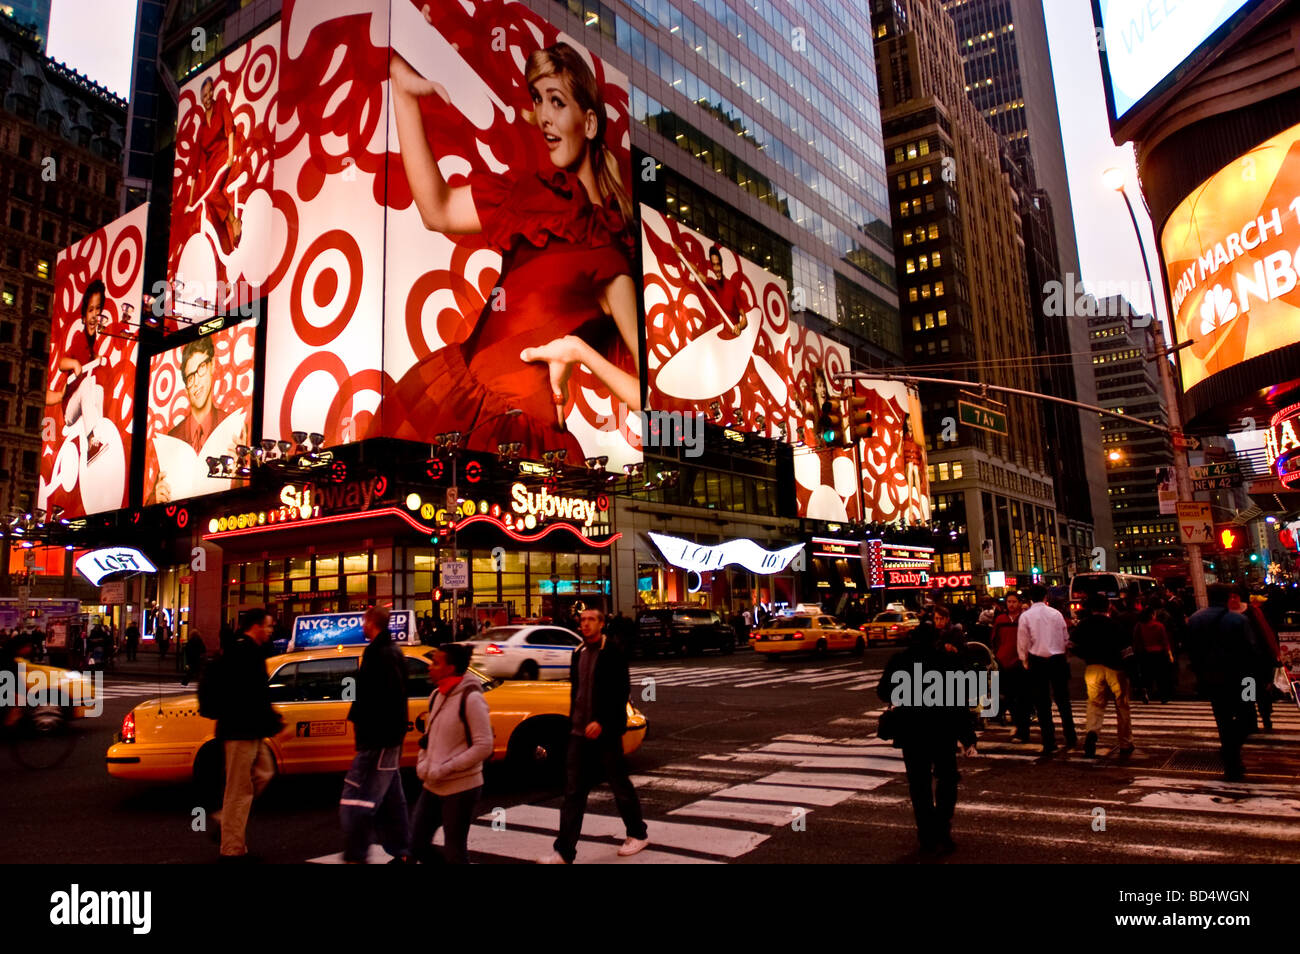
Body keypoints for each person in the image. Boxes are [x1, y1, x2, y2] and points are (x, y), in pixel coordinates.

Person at [388, 33, 640, 451]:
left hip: (524, 435)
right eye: (538, 100)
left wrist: (580, 351)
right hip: (458, 399)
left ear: (590, 123)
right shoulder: (529, 195)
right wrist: (404, 91)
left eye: (556, 101)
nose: (543, 116)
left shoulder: (610, 260)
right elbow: (437, 210)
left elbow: (651, 399)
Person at [539, 607, 648, 863]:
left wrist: (603, 722)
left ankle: (637, 833)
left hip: (606, 733)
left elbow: (621, 693)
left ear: (601, 625)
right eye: (583, 620)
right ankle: (564, 851)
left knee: (619, 785)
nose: (585, 624)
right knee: (573, 792)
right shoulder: (578, 653)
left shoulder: (613, 653)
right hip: (579, 732)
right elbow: (577, 692)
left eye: (591, 620)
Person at [876, 606, 979, 857]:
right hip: (942, 728)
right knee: (947, 779)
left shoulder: (900, 660)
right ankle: (942, 828)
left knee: (919, 785)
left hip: (911, 730)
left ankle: (926, 835)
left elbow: (883, 692)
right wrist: (968, 737)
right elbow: (961, 700)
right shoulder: (946, 660)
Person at [341, 606, 413, 864]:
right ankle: (403, 850)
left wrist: (364, 726)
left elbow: (379, 697)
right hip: (387, 738)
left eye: (364, 620)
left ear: (371, 622)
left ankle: (356, 855)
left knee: (358, 798)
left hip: (378, 739)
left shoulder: (379, 653)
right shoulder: (392, 652)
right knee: (392, 799)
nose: (362, 625)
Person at [411, 642, 493, 864]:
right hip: (432, 783)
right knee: (417, 843)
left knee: (455, 849)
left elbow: (484, 746)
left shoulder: (471, 698)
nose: (430, 667)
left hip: (461, 786)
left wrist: (446, 768)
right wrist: (423, 764)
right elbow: (428, 739)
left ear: (450, 668)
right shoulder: (437, 695)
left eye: (436, 663)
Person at [212, 609, 283, 861]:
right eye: (268, 626)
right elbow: (249, 695)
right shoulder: (244, 652)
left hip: (250, 729)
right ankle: (232, 848)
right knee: (239, 790)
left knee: (264, 773)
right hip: (240, 731)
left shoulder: (247, 650)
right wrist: (271, 720)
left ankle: (223, 819)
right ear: (255, 626)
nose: (271, 630)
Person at [1186, 585, 1261, 781]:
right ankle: (1231, 751)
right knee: (1247, 718)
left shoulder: (1195, 619)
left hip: (1212, 678)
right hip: (1243, 678)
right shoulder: (1238, 619)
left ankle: (1232, 764)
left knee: (1223, 719)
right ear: (1227, 598)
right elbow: (1251, 650)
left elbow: (1191, 651)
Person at [44, 279, 108, 464]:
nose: (95, 315)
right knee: (89, 384)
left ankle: (99, 435)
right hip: (70, 410)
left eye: (98, 310)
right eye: (91, 310)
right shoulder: (80, 339)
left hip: (81, 401)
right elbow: (61, 363)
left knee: (98, 390)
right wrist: (73, 363)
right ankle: (91, 442)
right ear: (83, 317)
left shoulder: (93, 344)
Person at [1070, 593, 1134, 758]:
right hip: (1116, 668)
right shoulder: (1115, 625)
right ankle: (1125, 742)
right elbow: (1127, 650)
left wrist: (1086, 655)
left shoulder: (1084, 625)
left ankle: (1092, 732)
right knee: (1122, 705)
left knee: (1095, 703)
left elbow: (1072, 645)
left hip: (1093, 667)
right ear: (1108, 607)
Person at [1018, 584, 1077, 755]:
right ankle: (1070, 735)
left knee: (1042, 703)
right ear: (1046, 596)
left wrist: (1025, 660)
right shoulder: (1056, 614)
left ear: (1030, 597)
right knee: (1063, 700)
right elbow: (1065, 637)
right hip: (1057, 659)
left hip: (1037, 660)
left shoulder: (1026, 616)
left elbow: (1023, 641)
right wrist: (1065, 654)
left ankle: (1049, 741)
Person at [186, 76, 241, 254]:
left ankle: (234, 221)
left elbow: (229, 127)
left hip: (224, 158)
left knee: (213, 194)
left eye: (210, 92)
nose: (208, 97)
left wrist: (231, 154)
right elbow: (194, 165)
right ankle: (227, 249)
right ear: (201, 99)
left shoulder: (221, 104)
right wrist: (190, 200)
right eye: (204, 95)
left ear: (213, 91)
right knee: (210, 204)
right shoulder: (201, 127)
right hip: (211, 170)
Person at [1229, 587, 1281, 732]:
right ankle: (1252, 721)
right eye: (1230, 597)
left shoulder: (1252, 611)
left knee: (1263, 692)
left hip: (1259, 660)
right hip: (1243, 662)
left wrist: (1273, 654)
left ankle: (1266, 718)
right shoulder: (1228, 614)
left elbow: (1265, 633)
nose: (1233, 600)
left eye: (1235, 596)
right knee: (1249, 692)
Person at [990, 594, 1031, 741]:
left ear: (1020, 603)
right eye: (1009, 602)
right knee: (1008, 696)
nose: (1011, 605)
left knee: (1021, 698)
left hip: (1020, 662)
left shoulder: (1025, 619)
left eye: (1014, 602)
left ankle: (1022, 729)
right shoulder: (1000, 619)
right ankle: (1017, 724)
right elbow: (995, 640)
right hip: (1003, 662)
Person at [1134, 606, 1173, 703]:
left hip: (1145, 653)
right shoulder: (1159, 626)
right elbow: (1165, 641)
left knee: (1146, 675)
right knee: (1161, 676)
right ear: (1152, 615)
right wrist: (1170, 654)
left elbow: (1136, 640)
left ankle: (1146, 692)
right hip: (1159, 653)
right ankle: (1163, 696)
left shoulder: (1139, 625)